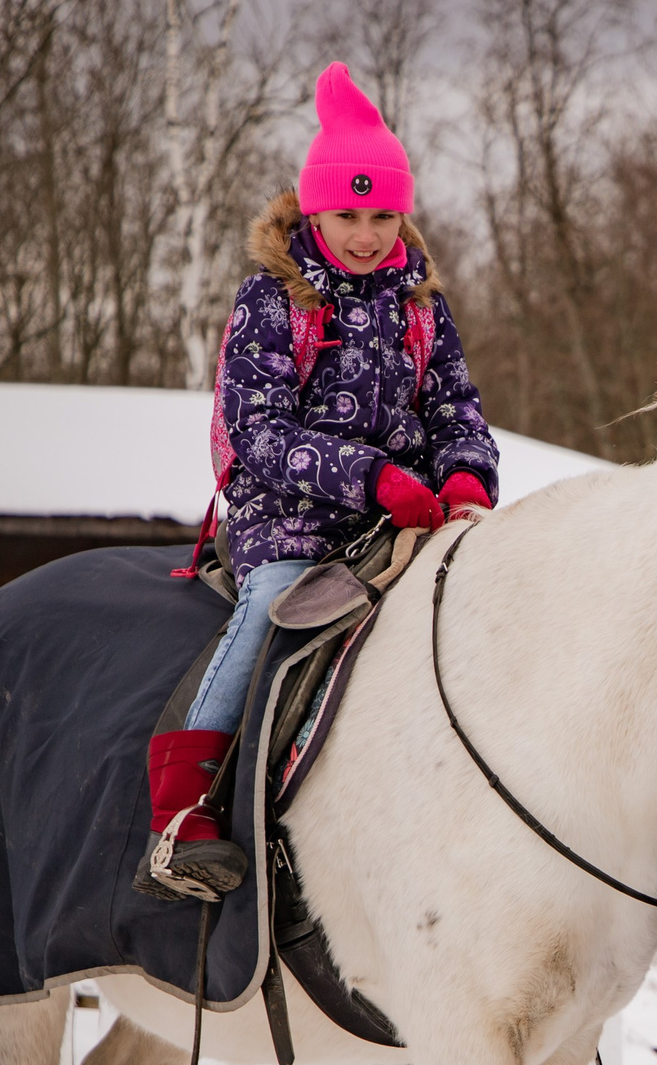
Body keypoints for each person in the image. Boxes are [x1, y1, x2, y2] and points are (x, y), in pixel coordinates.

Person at [139, 62, 497, 901]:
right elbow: (259, 431)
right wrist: (372, 478)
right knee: (271, 609)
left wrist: (466, 479)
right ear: (313, 212)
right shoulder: (273, 299)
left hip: (407, 518)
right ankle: (183, 813)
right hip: (290, 520)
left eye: (383, 215)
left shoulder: (421, 304)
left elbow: (456, 405)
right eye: (347, 215)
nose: (367, 234)